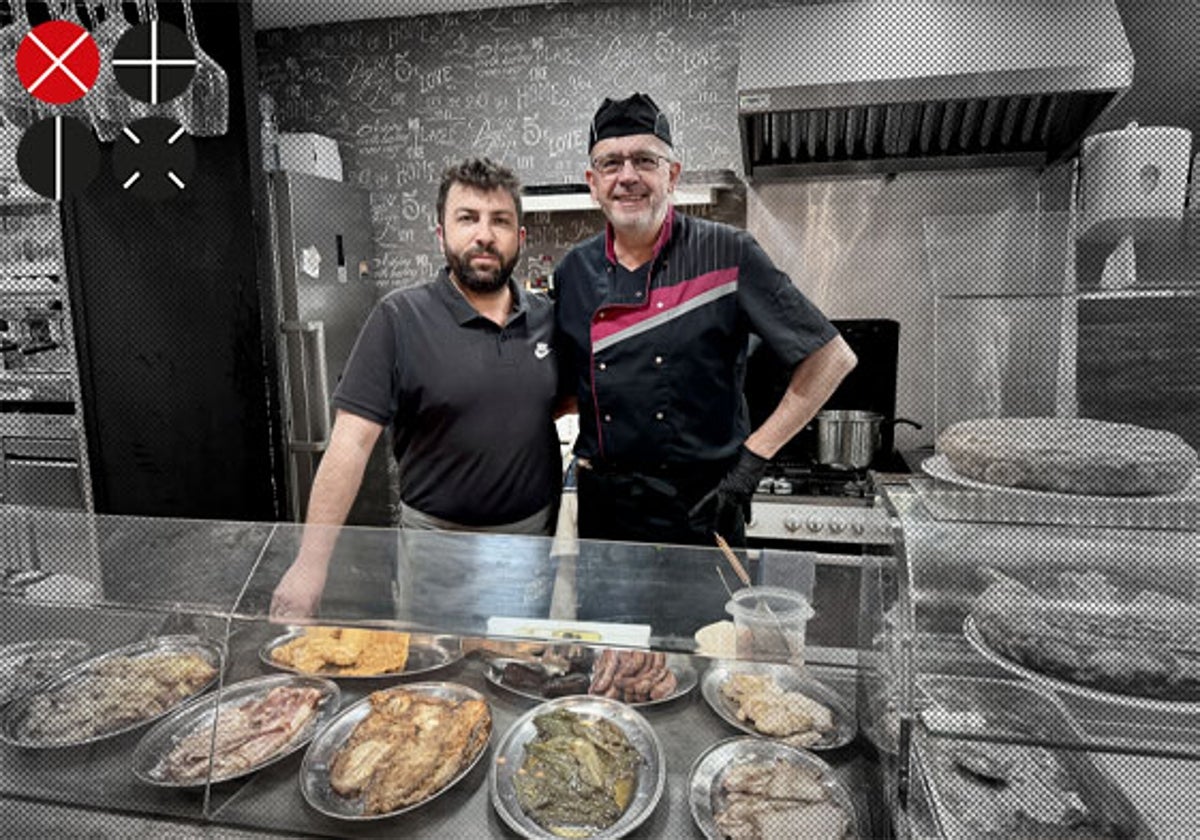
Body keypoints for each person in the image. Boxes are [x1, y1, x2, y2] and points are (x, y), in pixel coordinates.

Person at [555, 93, 858, 550]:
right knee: (610, 626)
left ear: (672, 175)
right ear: (592, 183)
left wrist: (754, 460)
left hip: (702, 508)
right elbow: (571, 388)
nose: (628, 176)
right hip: (606, 515)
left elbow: (832, 357)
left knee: (709, 626)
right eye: (611, 163)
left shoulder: (727, 253)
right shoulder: (573, 272)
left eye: (645, 160)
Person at [271, 158, 563, 618]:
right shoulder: (399, 318)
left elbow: (552, 403)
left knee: (517, 677)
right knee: (431, 684)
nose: (484, 234)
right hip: (435, 551)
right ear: (441, 234)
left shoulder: (548, 319)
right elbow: (350, 444)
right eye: (467, 218)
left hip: (526, 549)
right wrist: (309, 565)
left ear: (519, 239)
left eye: (500, 221)